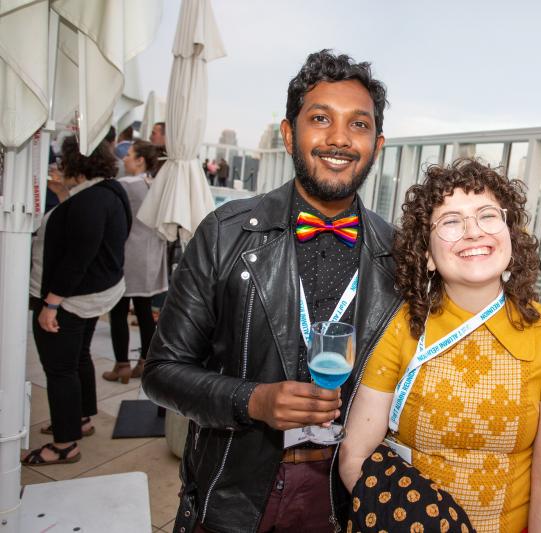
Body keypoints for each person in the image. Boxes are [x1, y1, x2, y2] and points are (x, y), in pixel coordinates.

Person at [142, 50, 398, 533]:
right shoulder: (223, 232)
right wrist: (252, 401)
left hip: (350, 488)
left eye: (358, 125)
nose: (339, 138)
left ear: (377, 143)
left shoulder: (401, 256)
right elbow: (161, 371)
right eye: (320, 118)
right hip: (234, 487)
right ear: (288, 134)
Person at [339, 159, 541, 533]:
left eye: (487, 216)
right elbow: (354, 456)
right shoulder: (399, 326)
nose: (472, 232)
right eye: (451, 221)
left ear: (511, 235)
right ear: (428, 255)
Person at [23, 136, 132, 466]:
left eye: (62, 161)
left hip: (73, 299)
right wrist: (63, 196)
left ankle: (64, 444)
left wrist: (52, 303)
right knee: (78, 357)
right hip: (98, 292)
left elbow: (78, 256)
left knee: (60, 369)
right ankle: (81, 418)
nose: (58, 167)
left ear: (76, 165)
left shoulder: (89, 203)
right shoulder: (110, 191)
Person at [104, 140, 169, 383]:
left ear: (141, 160)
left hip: (127, 253)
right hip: (150, 255)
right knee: (144, 311)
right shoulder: (155, 185)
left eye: (129, 154)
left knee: (119, 311)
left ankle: (121, 364)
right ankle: (144, 360)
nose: (125, 159)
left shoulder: (125, 185)